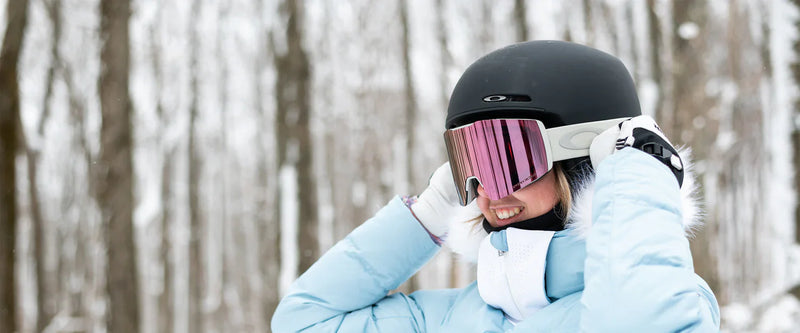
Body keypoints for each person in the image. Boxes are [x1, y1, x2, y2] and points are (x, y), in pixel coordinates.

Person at [271, 40, 720, 332]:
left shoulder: (674, 297)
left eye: (511, 160)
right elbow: (304, 320)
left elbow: (638, 320)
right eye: (474, 163)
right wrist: (426, 215)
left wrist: (639, 175)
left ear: (586, 167)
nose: (489, 191)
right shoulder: (444, 318)